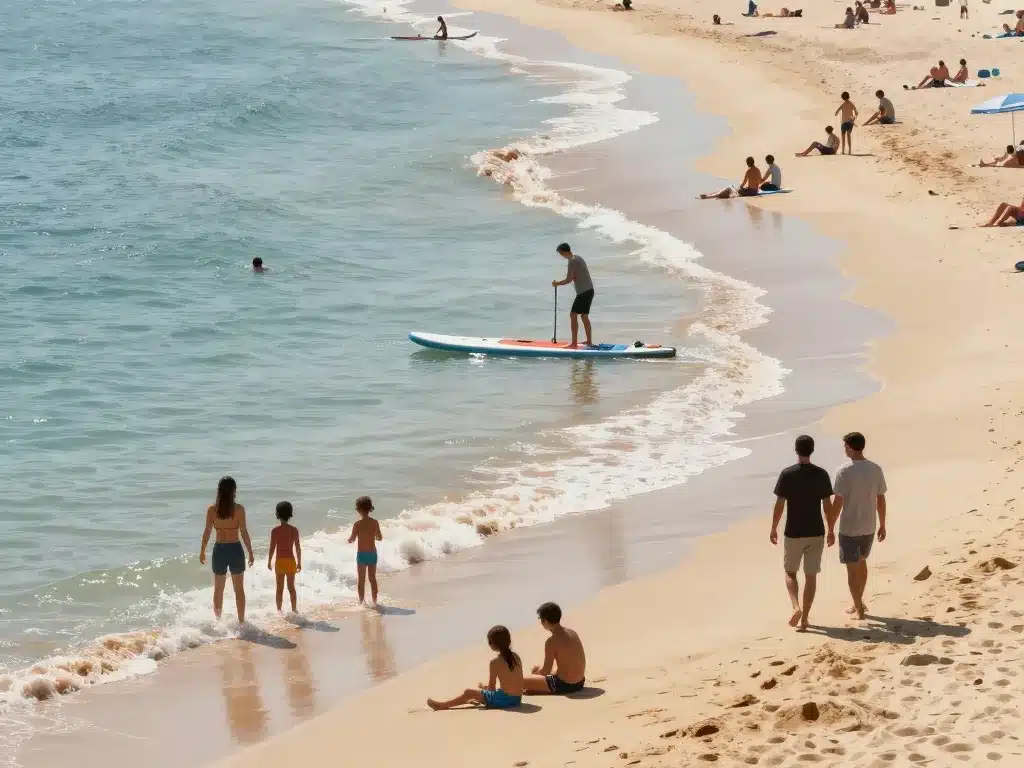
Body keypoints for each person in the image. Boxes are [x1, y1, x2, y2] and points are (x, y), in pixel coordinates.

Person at [770, 436, 833, 631]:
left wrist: (773, 527)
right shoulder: (821, 474)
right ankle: (805, 618)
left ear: (796, 450)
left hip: (794, 532)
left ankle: (796, 607)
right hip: (816, 531)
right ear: (812, 450)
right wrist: (831, 529)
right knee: (811, 576)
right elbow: (827, 505)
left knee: (790, 572)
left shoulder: (787, 474)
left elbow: (780, 504)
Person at [828, 432, 887, 620]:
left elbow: (837, 503)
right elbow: (881, 499)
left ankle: (859, 607)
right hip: (869, 526)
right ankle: (858, 602)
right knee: (862, 564)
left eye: (845, 445)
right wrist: (883, 524)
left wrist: (830, 527)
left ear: (850, 447)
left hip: (849, 528)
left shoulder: (844, 471)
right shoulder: (875, 469)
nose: (844, 448)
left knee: (852, 570)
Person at [199, 476, 255, 623]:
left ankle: (218, 623)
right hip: (235, 549)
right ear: (234, 491)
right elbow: (243, 532)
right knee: (239, 589)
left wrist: (202, 550)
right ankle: (242, 622)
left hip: (220, 550)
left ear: (219, 491)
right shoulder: (239, 509)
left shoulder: (212, 510)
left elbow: (207, 531)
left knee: (218, 589)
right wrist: (250, 552)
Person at [427, 626, 524, 710]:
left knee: (468, 692)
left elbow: (492, 689)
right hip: (517, 699)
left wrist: (484, 689)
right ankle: (472, 699)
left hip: (505, 701)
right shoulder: (516, 657)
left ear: (492, 645)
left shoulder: (495, 662)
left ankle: (442, 706)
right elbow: (515, 681)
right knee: (478, 694)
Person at [523, 602, 587, 694]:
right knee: (539, 671)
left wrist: (535, 674)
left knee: (520, 681)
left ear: (545, 621)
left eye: (541, 620)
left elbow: (545, 671)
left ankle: (536, 687)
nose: (541, 623)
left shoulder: (551, 642)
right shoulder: (572, 632)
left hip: (566, 685)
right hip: (580, 681)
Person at [552, 243, 595, 348]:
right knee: (584, 316)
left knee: (573, 314)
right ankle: (589, 342)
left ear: (563, 252)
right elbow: (576, 276)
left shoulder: (572, 261)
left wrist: (557, 283)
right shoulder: (578, 258)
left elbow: (569, 279)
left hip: (583, 292)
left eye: (560, 253)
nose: (561, 255)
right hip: (589, 290)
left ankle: (574, 343)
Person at [348, 496, 383, 606]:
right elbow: (380, 537)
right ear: (370, 508)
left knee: (361, 580)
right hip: (372, 554)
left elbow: (352, 538)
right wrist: (374, 537)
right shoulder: (375, 522)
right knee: (372, 579)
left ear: (358, 510)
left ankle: (362, 603)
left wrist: (350, 540)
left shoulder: (357, 524)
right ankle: (374, 602)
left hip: (361, 555)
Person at [268, 501, 302, 613]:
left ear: (277, 514)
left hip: (280, 563)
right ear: (290, 514)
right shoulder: (294, 530)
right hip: (291, 561)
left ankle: (279, 611)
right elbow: (297, 548)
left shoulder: (275, 531)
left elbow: (272, 548)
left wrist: (269, 561)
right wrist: (299, 562)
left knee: (279, 589)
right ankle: (294, 610)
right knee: (291, 588)